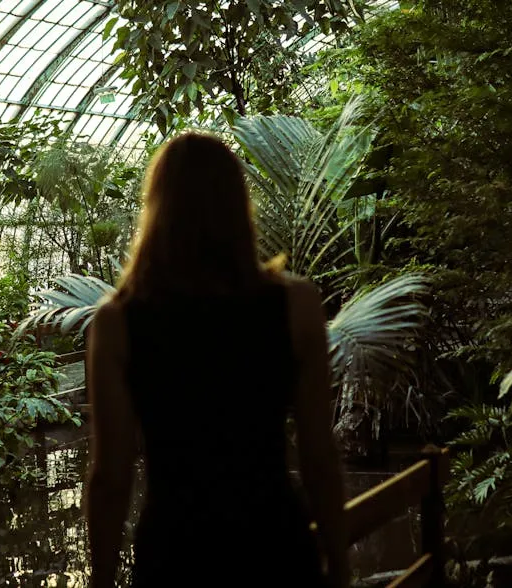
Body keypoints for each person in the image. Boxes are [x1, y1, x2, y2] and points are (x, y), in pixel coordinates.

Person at [85, 132, 350, 588]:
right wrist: (341, 567)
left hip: (174, 553)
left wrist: (103, 577)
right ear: (238, 206)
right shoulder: (296, 305)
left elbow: (111, 473)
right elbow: (318, 454)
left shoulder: (117, 322)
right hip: (275, 546)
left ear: (156, 209)